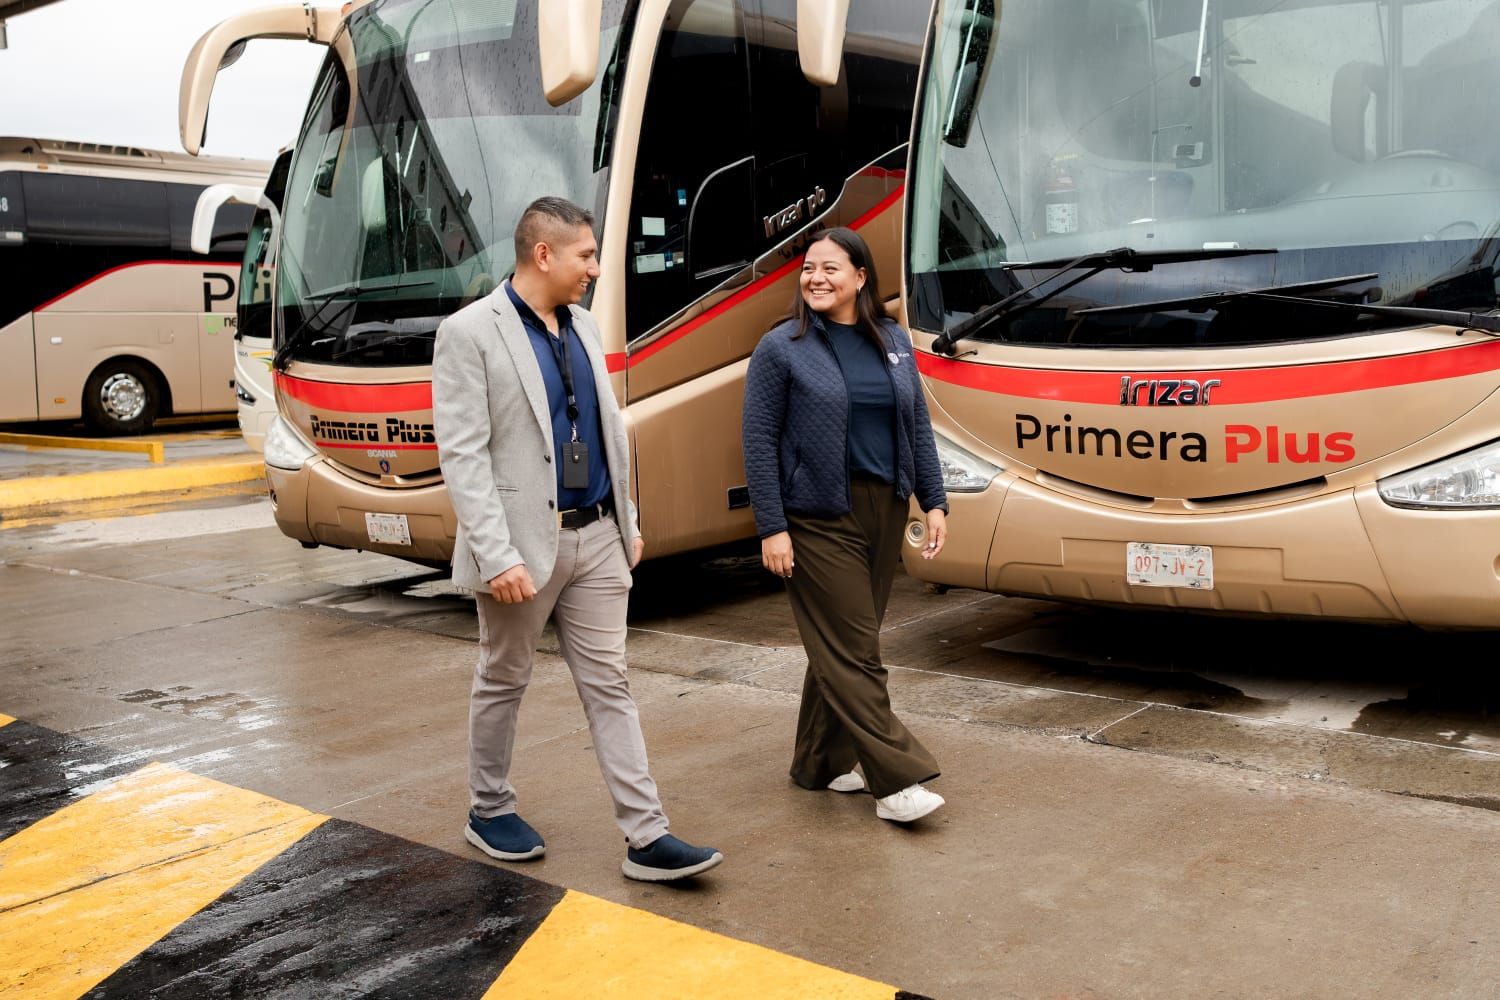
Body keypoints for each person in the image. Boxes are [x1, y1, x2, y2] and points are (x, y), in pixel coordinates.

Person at [433, 196, 722, 881]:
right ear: (544, 255)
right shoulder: (469, 332)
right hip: (521, 549)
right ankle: (488, 809)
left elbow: (606, 428)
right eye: (586, 255)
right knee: (504, 678)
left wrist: (628, 520)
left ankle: (648, 835)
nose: (594, 268)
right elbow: (464, 455)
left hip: (598, 537)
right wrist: (495, 554)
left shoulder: (584, 325)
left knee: (610, 685)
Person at [742, 226, 950, 823]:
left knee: (841, 646)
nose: (816, 278)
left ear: (860, 277)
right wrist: (771, 527)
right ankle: (896, 778)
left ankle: (819, 761)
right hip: (815, 517)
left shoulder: (893, 339)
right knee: (857, 651)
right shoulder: (780, 347)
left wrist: (934, 500)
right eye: (809, 268)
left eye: (830, 268)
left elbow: (915, 425)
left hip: (883, 507)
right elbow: (758, 441)